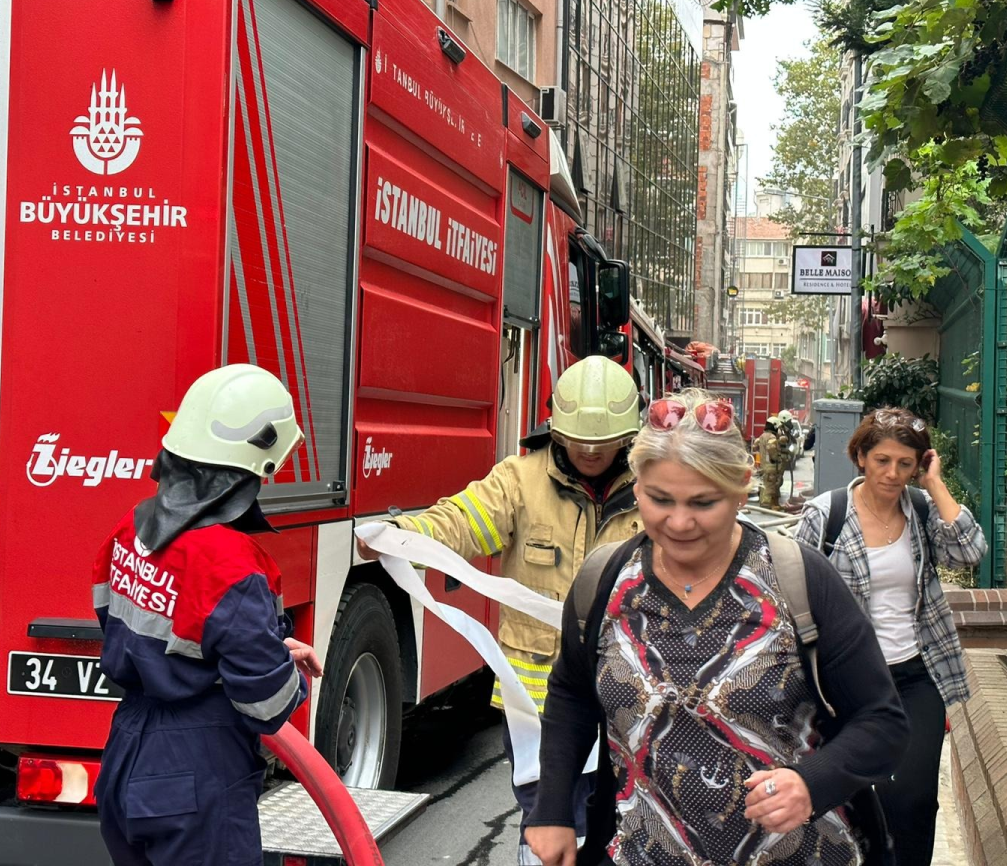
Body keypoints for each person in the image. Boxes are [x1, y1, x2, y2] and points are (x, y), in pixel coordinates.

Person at [524, 389, 909, 866]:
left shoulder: (798, 579)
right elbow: (572, 697)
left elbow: (883, 722)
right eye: (660, 499)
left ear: (742, 485)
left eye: (704, 503)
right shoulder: (604, 582)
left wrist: (812, 784)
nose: (679, 522)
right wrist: (552, 807)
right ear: (637, 486)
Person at [356, 355, 643, 866]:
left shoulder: (652, 487)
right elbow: (464, 522)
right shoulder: (520, 480)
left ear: (628, 436)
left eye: (603, 445)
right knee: (549, 818)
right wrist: (405, 536)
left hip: (630, 697)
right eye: (579, 442)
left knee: (621, 818)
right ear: (557, 430)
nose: (590, 453)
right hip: (540, 707)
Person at [92, 364, 323, 866]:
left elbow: (133, 626)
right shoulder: (234, 565)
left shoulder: (129, 529)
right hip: (197, 765)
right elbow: (267, 705)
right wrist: (286, 669)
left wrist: (248, 651)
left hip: (126, 750)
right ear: (255, 467)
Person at [796, 407, 988, 866]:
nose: (893, 473)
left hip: (917, 676)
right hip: (850, 683)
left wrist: (935, 485)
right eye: (882, 460)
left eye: (905, 463)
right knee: (865, 798)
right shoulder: (828, 516)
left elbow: (970, 551)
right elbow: (794, 594)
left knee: (915, 799)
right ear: (860, 456)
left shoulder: (920, 510)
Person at [752, 415, 790, 509]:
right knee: (771, 485)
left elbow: (754, 447)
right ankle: (769, 504)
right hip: (771, 466)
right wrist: (775, 458)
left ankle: (773, 503)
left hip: (763, 465)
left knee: (767, 483)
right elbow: (771, 447)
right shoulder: (772, 437)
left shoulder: (761, 436)